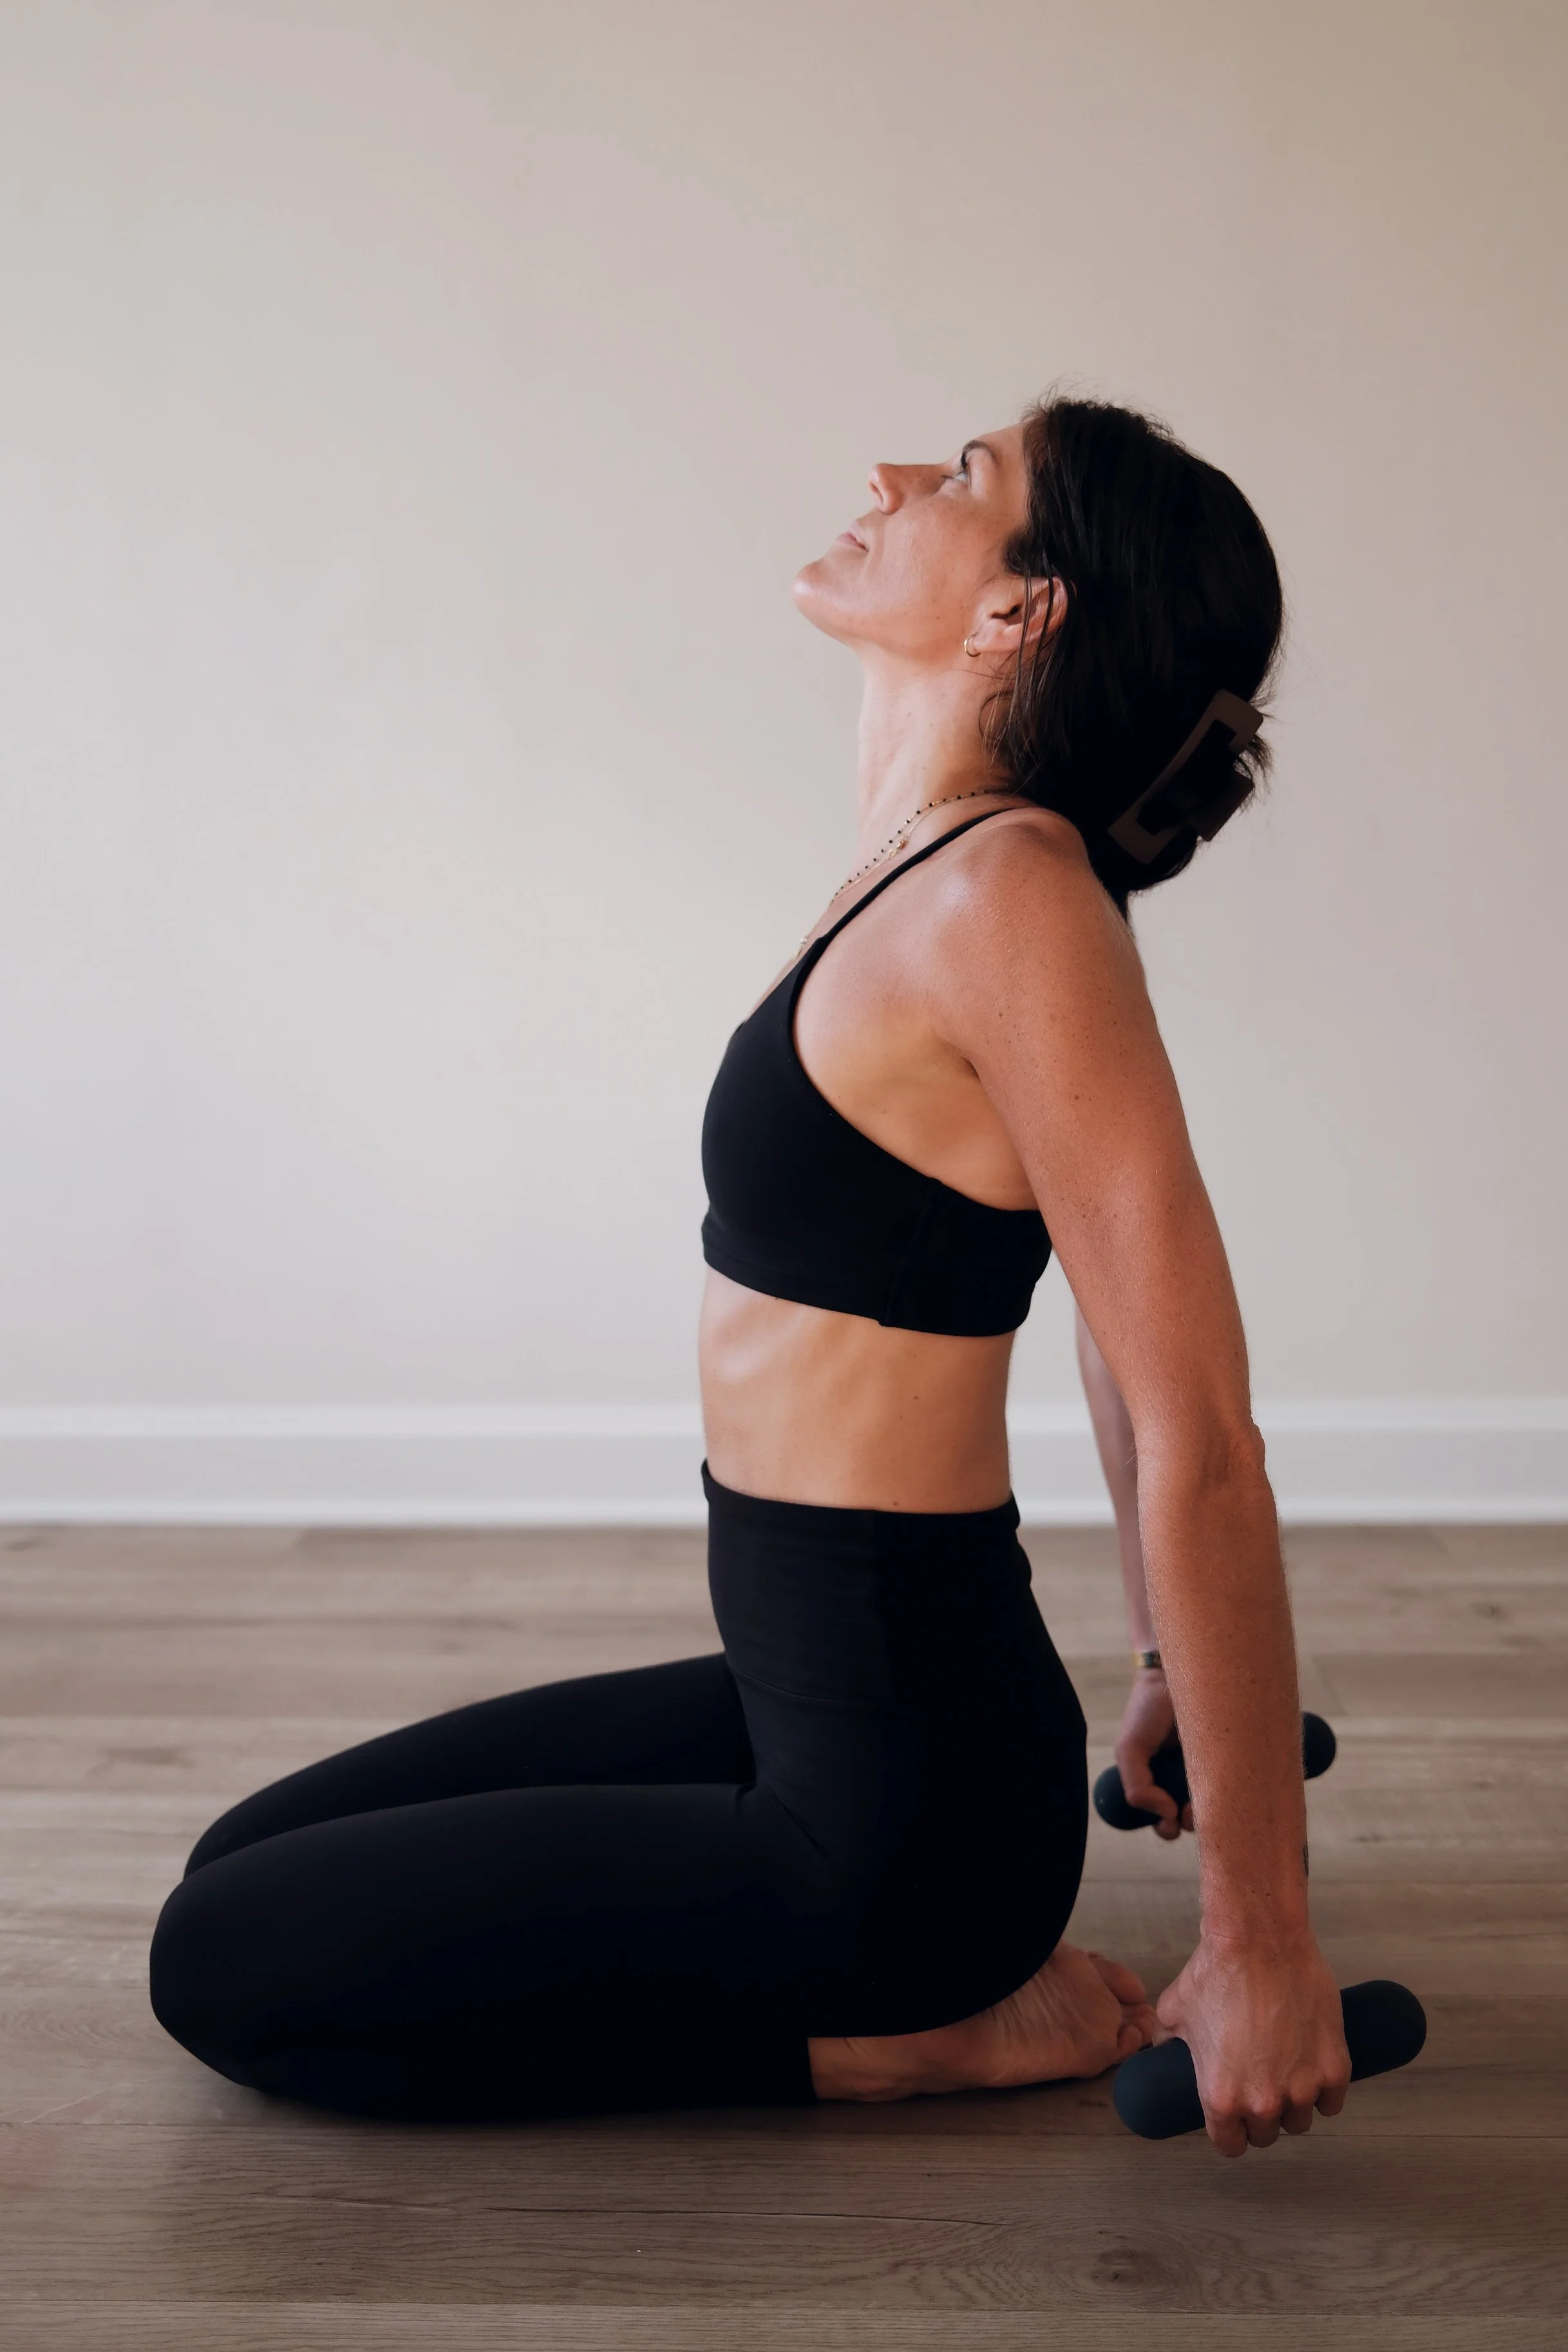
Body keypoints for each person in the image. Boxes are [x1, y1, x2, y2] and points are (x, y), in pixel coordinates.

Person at [150, 395, 1351, 2157]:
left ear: (1024, 611)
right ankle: (888, 1981)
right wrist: (1171, 1650)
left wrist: (1265, 1939)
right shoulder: (938, 870)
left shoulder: (1012, 899)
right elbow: (1104, 1304)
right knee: (241, 1862)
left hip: (893, 1813)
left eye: (962, 479)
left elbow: (1204, 1425)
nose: (887, 479)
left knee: (223, 1961)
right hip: (811, 1690)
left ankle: (899, 2034)